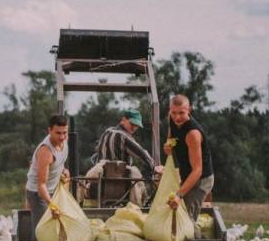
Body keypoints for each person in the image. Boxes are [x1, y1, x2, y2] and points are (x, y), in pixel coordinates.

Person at [88, 110, 163, 206]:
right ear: (123, 120)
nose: (134, 127)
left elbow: (96, 156)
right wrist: (155, 167)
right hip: (121, 185)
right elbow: (142, 154)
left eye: (137, 126)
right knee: (141, 183)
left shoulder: (106, 132)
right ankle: (142, 203)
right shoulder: (124, 136)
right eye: (132, 123)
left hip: (100, 184)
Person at [165, 94, 214, 231]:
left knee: (186, 220)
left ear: (189, 110)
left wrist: (179, 195)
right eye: (173, 113)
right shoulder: (172, 119)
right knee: (176, 214)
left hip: (201, 179)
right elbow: (171, 135)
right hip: (186, 174)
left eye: (181, 113)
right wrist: (168, 145)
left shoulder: (192, 134)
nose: (177, 117)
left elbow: (197, 170)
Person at [25, 114, 70, 241]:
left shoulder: (63, 142)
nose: (62, 137)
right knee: (42, 231)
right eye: (58, 133)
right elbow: (41, 185)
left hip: (53, 189)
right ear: (49, 131)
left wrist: (63, 171)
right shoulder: (45, 151)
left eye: (64, 133)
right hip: (38, 194)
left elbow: (59, 163)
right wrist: (52, 206)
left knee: (56, 226)